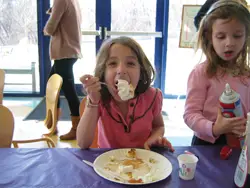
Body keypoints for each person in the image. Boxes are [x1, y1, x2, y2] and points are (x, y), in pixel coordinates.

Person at [77, 36, 174, 150]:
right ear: (103, 72)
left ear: (141, 71)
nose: (121, 70)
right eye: (113, 63)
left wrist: (155, 137)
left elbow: (159, 126)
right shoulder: (100, 99)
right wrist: (93, 102)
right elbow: (83, 143)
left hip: (143, 161)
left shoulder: (152, 97)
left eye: (130, 63)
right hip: (109, 163)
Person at [184, 0, 250, 147]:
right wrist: (214, 128)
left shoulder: (247, 74)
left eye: (237, 35)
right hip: (207, 144)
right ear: (209, 37)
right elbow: (190, 114)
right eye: (221, 37)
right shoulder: (201, 73)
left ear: (246, 36)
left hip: (241, 144)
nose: (229, 43)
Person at [43, 0, 82, 140]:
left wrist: (46, 28)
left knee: (68, 90)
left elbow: (50, 28)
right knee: (53, 87)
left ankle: (76, 128)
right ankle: (53, 124)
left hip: (64, 52)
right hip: (69, 51)